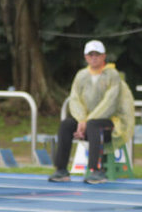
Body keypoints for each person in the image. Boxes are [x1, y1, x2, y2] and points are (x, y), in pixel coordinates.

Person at [48, 40, 134, 184]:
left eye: (97, 54)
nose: (94, 57)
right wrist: (81, 120)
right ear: (86, 57)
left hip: (111, 123)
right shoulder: (81, 75)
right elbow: (75, 99)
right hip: (86, 123)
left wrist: (87, 122)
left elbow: (110, 103)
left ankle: (96, 170)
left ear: (104, 56)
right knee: (66, 124)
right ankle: (61, 169)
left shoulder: (112, 75)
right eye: (91, 54)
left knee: (95, 125)